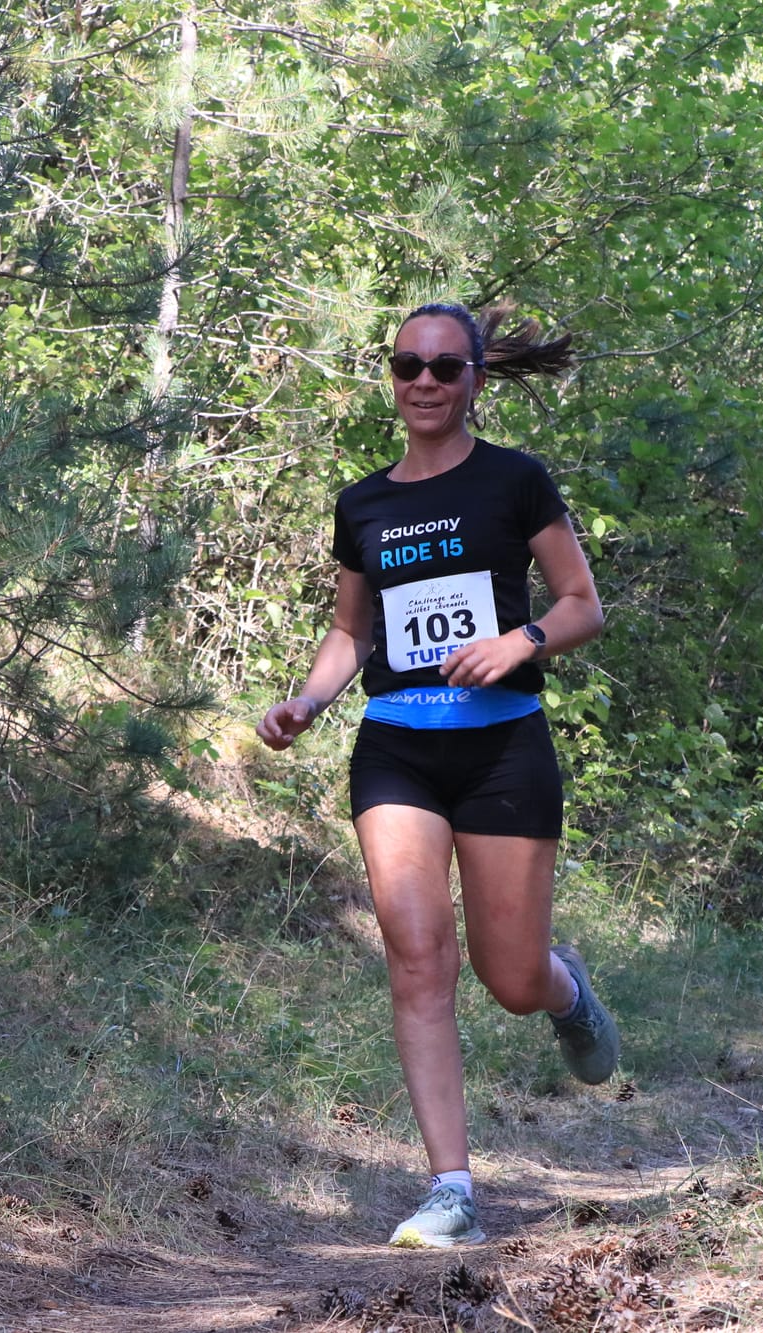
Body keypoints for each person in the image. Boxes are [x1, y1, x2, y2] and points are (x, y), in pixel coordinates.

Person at [256, 300, 618, 1248]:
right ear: (393, 375)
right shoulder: (364, 501)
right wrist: (309, 701)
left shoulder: (514, 481)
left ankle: (565, 990)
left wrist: (521, 641)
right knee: (417, 955)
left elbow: (583, 605)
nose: (424, 379)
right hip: (397, 748)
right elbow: (351, 629)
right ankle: (451, 1188)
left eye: (445, 367)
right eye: (408, 363)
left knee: (507, 978)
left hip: (503, 747)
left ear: (475, 382)